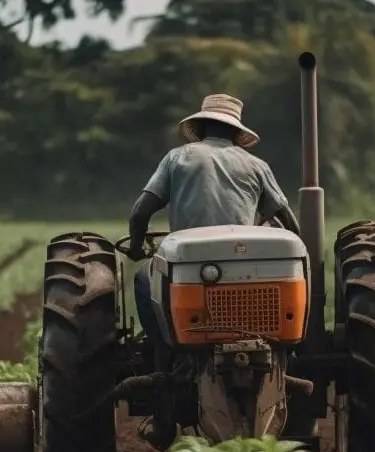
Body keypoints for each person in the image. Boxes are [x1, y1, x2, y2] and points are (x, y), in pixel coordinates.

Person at [125, 93, 300, 342]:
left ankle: (162, 349)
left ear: (202, 126)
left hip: (188, 261)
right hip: (246, 264)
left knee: (144, 278)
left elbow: (140, 213)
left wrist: (135, 247)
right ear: (236, 133)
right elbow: (287, 219)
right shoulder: (256, 165)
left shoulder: (178, 157)